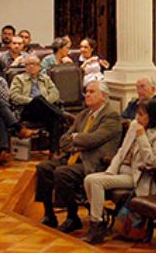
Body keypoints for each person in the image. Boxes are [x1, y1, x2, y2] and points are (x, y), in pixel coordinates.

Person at [35, 81, 121, 231]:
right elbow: (64, 140)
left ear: (104, 96)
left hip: (94, 162)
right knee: (44, 167)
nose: (87, 95)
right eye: (86, 91)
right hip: (73, 157)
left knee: (62, 173)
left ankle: (72, 216)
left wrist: (75, 139)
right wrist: (77, 140)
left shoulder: (111, 116)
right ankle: (49, 214)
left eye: (92, 92)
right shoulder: (83, 115)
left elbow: (94, 139)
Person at [81, 99, 156, 244]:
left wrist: (142, 137)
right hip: (121, 170)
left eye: (142, 115)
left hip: (137, 175)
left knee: (96, 182)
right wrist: (110, 171)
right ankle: (99, 219)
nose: (138, 118)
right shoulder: (135, 125)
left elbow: (151, 161)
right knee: (89, 179)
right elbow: (122, 151)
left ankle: (97, 226)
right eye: (137, 114)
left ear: (152, 116)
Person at [9, 55, 64, 157]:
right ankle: (63, 115)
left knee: (54, 119)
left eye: (33, 64)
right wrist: (33, 101)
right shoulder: (19, 78)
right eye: (27, 64)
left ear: (39, 67)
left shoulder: (45, 78)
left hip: (43, 110)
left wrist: (44, 103)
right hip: (27, 110)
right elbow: (14, 96)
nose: (30, 67)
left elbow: (55, 94)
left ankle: (54, 152)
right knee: (38, 99)